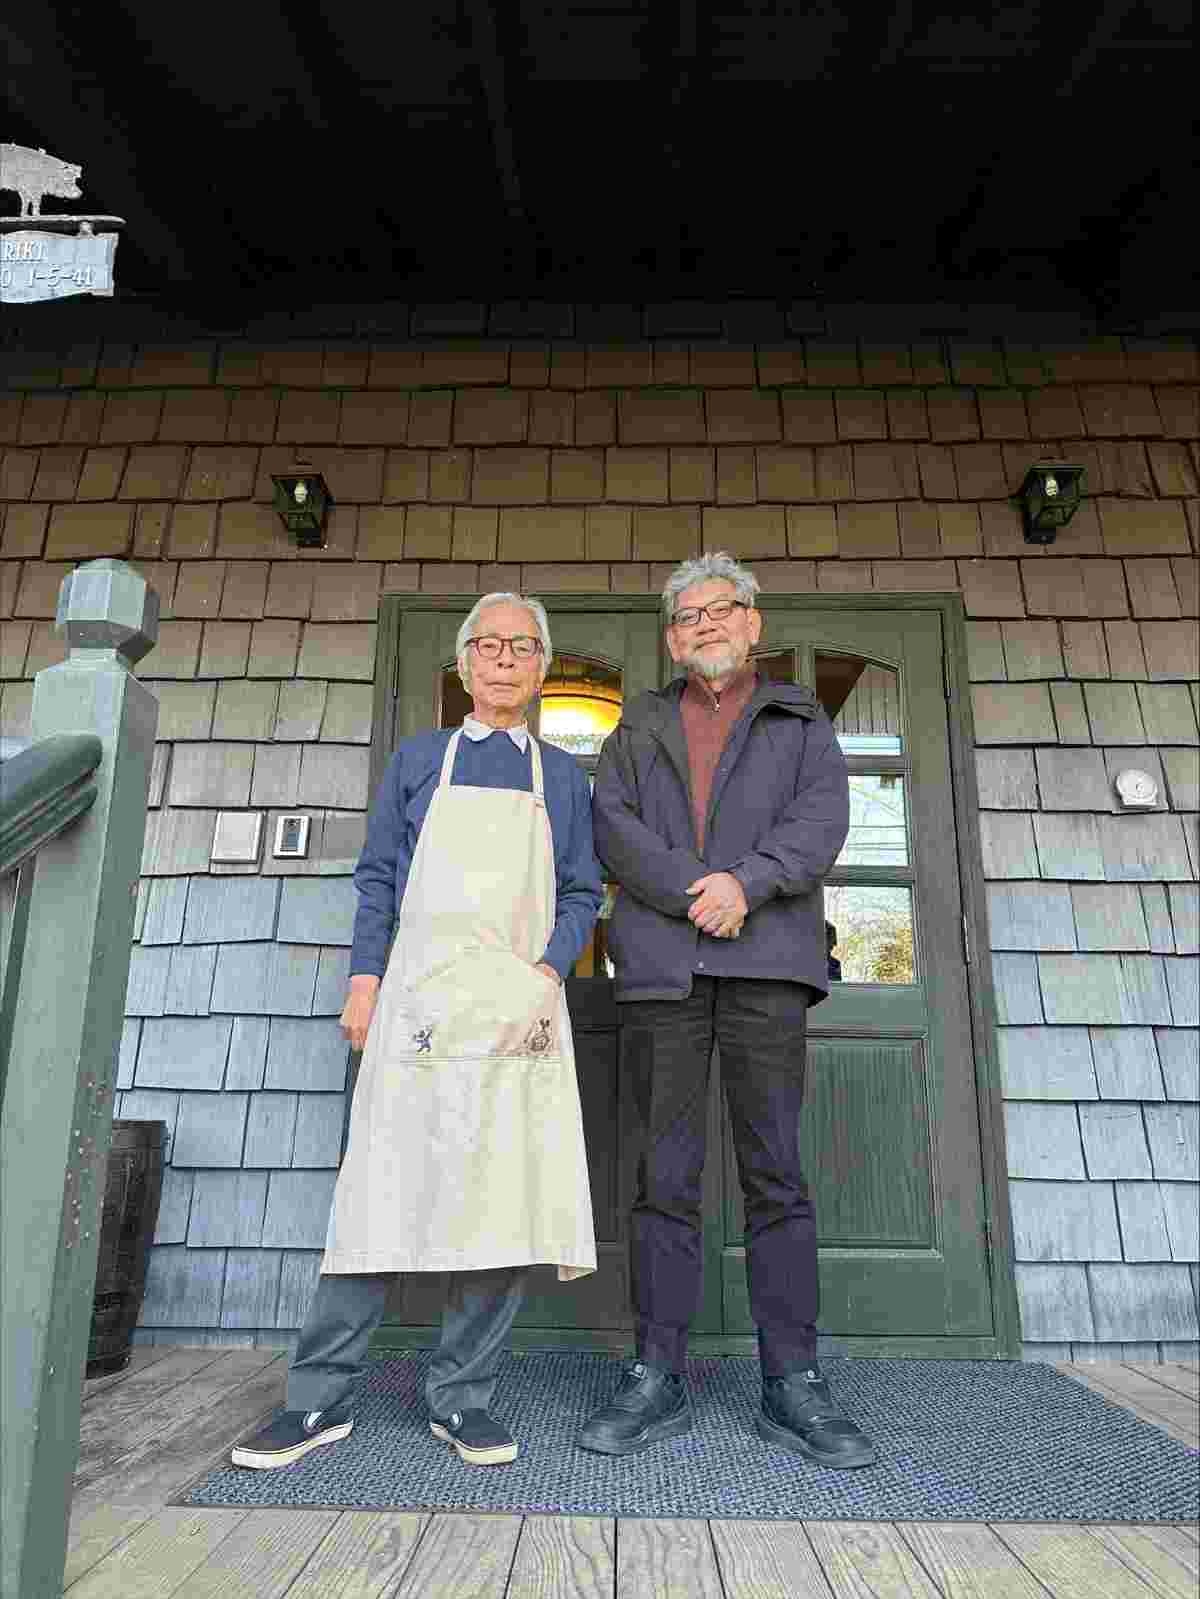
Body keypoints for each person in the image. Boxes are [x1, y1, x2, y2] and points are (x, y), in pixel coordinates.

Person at [232, 593, 602, 1471]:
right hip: (419, 1004)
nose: (504, 658)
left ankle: (463, 1397)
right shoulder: (419, 760)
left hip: (516, 1008)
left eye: (523, 646)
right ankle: (317, 1397)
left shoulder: (563, 779)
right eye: (489, 644)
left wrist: (547, 970)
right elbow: (378, 878)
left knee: (502, 1198)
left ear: (541, 667)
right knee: (377, 1192)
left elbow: (583, 890)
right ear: (464, 662)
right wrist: (365, 979)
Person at [580, 551, 875, 1469]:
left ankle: (792, 1379)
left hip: (767, 968)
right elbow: (613, 826)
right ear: (673, 640)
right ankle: (657, 1372)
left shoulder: (801, 720)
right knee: (663, 1177)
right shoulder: (638, 723)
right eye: (687, 616)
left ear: (753, 622)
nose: (705, 624)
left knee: (775, 1175)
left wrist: (746, 884)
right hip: (665, 971)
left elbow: (820, 824)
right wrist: (694, 889)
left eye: (721, 609)